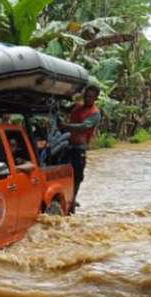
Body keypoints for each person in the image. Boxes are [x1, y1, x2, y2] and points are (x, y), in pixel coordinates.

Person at [60, 85, 101, 214]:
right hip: (66, 144)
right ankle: (67, 198)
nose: (87, 99)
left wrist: (65, 126)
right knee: (62, 172)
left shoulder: (95, 113)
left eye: (90, 97)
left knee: (77, 176)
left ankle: (72, 201)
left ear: (96, 98)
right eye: (86, 96)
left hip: (79, 148)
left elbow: (84, 126)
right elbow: (64, 109)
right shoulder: (77, 106)